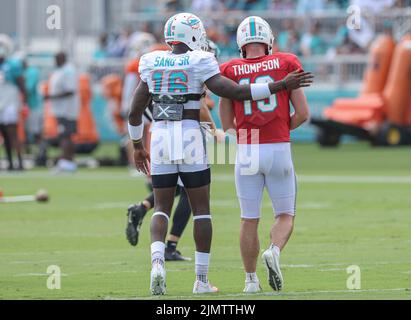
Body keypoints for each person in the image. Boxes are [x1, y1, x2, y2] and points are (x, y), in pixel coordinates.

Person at [128, 12, 312, 295]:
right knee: (204, 210)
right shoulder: (204, 60)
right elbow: (240, 94)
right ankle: (205, 279)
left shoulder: (153, 61)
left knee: (166, 207)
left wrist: (138, 146)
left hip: (164, 136)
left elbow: (135, 111)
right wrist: (279, 87)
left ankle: (159, 264)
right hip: (203, 136)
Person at [219, 16, 312, 293]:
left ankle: (250, 281)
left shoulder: (230, 69)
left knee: (249, 218)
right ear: (268, 40)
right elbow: (304, 114)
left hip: (248, 146)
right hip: (278, 146)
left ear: (241, 44)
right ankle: (273, 250)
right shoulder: (286, 63)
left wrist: (235, 134)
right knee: (285, 214)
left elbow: (226, 121)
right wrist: (282, 129)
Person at [126, 41, 224, 262]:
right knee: (191, 194)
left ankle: (143, 212)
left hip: (161, 128)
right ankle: (171, 245)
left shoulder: (172, 61)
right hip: (175, 128)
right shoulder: (196, 63)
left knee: (173, 189)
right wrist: (214, 130)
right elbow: (198, 107)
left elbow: (135, 110)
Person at [44, 52, 79, 172]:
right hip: (61, 110)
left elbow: (70, 91)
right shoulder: (61, 71)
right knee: (65, 136)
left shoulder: (68, 71)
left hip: (67, 110)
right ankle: (68, 162)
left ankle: (66, 162)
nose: (55, 61)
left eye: (56, 58)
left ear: (62, 58)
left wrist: (51, 97)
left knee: (65, 136)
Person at [0, 34, 26, 171]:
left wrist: (24, 102)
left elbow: (21, 84)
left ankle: (20, 162)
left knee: (12, 133)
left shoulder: (13, 64)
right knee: (4, 134)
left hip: (9, 101)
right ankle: (9, 162)